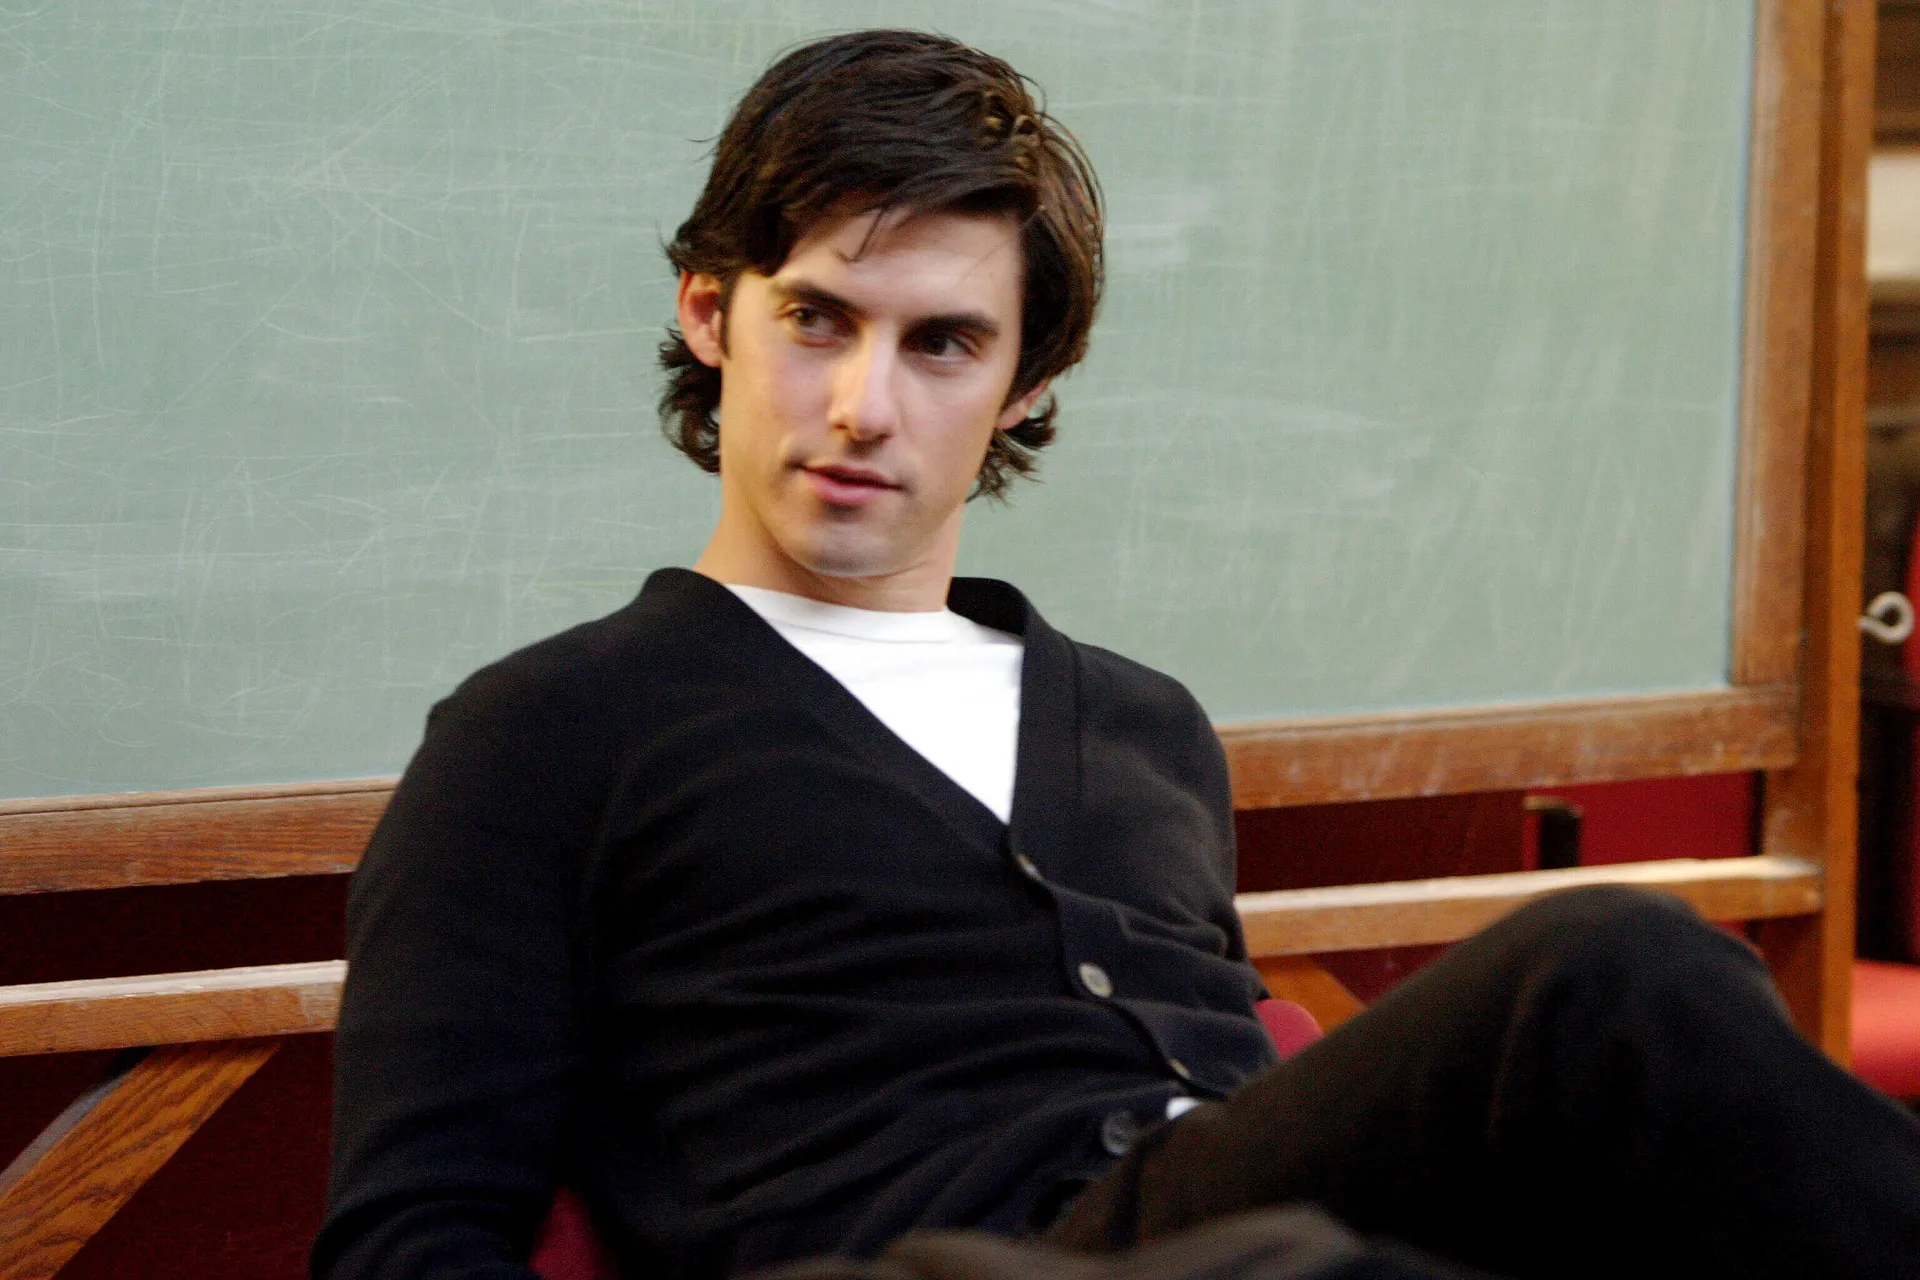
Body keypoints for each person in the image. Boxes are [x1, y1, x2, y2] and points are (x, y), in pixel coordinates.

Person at [313, 29, 1920, 1280]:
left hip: (1235, 1228)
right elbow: (407, 1240)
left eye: (943, 343)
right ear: (709, 314)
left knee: (1570, 1088)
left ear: (1024, 386)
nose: (865, 405)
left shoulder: (1144, 729)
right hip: (929, 1258)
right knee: (1594, 976)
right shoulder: (545, 732)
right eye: (817, 319)